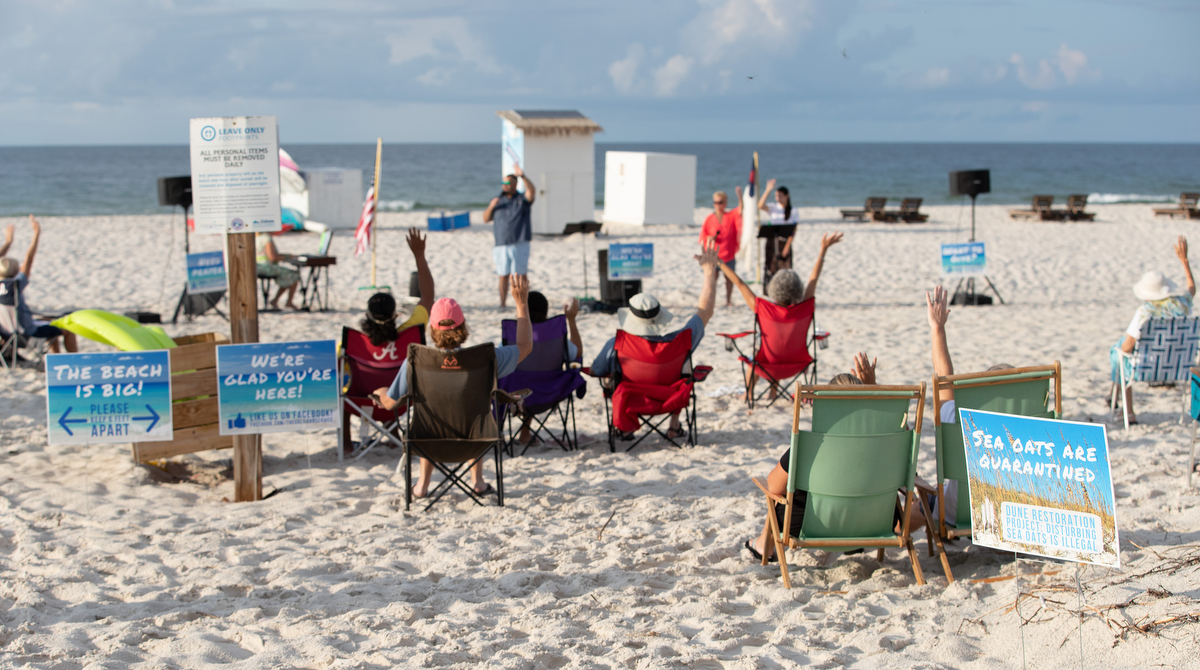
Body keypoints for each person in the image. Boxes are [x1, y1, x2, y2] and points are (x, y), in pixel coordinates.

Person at [372, 276, 533, 497]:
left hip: (428, 442)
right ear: (463, 326)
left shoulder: (417, 360)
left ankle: (421, 486)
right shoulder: (486, 358)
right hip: (477, 440)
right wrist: (521, 304)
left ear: (433, 330)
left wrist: (380, 393)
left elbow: (390, 404)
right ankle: (477, 481)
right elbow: (525, 347)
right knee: (469, 410)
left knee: (432, 413)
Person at [744, 353, 878, 563]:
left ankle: (763, 545)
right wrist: (874, 390)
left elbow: (773, 486)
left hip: (812, 525)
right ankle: (853, 547)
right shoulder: (883, 445)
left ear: (825, 407)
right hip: (869, 524)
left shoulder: (808, 445)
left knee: (781, 495)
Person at [590, 243, 720, 439]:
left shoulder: (618, 343)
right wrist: (709, 273)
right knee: (684, 371)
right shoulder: (680, 340)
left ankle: (625, 428)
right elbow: (705, 311)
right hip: (671, 398)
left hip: (632, 400)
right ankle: (674, 425)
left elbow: (595, 371)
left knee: (612, 376)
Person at [719, 232, 843, 403]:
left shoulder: (763, 308)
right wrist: (823, 250)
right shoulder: (804, 308)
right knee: (779, 346)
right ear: (798, 289)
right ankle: (772, 392)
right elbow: (814, 279)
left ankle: (748, 394)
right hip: (797, 365)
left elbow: (739, 283)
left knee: (759, 353)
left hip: (767, 365)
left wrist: (719, 262)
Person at [1110, 236, 1195, 424]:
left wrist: (1119, 350)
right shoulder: (1182, 306)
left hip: (1146, 368)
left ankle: (1128, 411)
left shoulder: (1144, 313)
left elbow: (1127, 347)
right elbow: (1191, 288)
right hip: (1177, 366)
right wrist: (1184, 261)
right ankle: (1112, 396)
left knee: (1117, 353)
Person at [514, 291, 584, 446]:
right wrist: (571, 320)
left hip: (519, 396)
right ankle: (525, 433)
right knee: (534, 379)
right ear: (545, 312)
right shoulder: (555, 337)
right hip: (551, 392)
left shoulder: (513, 335)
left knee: (522, 379)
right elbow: (577, 353)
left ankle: (523, 433)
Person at [0, 216, 76, 353]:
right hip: (26, 335)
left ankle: (56, 358)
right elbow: (29, 258)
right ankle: (73, 360)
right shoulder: (16, 285)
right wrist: (36, 234)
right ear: (17, 271)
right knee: (68, 329)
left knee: (49, 321)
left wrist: (8, 242)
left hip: (6, 335)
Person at [359, 229, 436, 348]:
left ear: (367, 316)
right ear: (395, 315)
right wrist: (419, 256)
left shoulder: (354, 345)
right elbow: (428, 296)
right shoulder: (410, 335)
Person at [482, 164, 536, 308]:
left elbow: (532, 192)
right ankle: (503, 303)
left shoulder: (522, 199)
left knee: (521, 275)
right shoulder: (498, 200)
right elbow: (485, 218)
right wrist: (491, 206)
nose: (504, 185)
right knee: (503, 275)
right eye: (503, 182)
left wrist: (523, 176)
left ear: (514, 184)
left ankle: (525, 303)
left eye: (507, 182)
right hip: (501, 243)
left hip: (520, 242)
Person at [699, 188, 744, 307]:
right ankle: (711, 300)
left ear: (725, 203)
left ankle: (728, 300)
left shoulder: (730, 215)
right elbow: (703, 236)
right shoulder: (709, 218)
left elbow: (740, 210)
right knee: (712, 279)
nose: (718, 205)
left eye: (720, 202)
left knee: (730, 279)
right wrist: (710, 238)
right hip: (714, 255)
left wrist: (740, 197)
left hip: (728, 254)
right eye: (715, 202)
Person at [758, 179, 800, 287]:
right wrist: (768, 190)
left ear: (787, 196)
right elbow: (760, 205)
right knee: (770, 267)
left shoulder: (793, 211)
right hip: (772, 241)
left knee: (785, 269)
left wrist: (787, 246)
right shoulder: (773, 207)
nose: (778, 198)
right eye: (777, 196)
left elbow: (793, 231)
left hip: (785, 242)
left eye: (780, 196)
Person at [255, 232, 299, 310]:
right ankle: (288, 302)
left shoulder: (255, 237)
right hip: (266, 267)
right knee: (293, 274)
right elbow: (272, 257)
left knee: (287, 275)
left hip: (257, 267)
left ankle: (276, 300)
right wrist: (288, 257)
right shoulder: (266, 238)